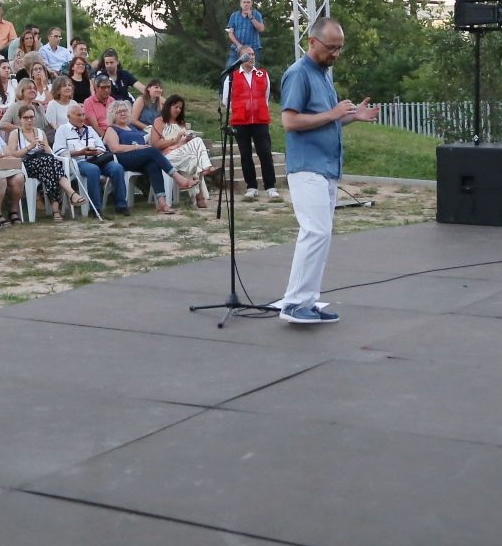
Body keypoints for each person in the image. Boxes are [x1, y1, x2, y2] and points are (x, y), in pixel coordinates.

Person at [278, 17, 378, 326]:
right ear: (312, 42)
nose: (335, 54)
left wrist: (351, 117)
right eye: (330, 47)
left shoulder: (323, 75)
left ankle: (307, 300)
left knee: (321, 234)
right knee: (315, 231)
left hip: (326, 167)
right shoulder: (298, 74)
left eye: (339, 49)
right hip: (307, 166)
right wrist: (334, 113)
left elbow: (327, 119)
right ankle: (294, 303)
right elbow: (289, 122)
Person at [104, 101, 196, 214]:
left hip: (140, 159)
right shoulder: (112, 129)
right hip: (123, 159)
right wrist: (137, 147)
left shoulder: (132, 128)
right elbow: (115, 148)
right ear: (113, 114)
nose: (123, 114)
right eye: (119, 112)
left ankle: (162, 203)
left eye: (125, 111)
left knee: (153, 164)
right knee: (152, 151)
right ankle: (178, 178)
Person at [223, 45, 278, 201]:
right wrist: (241, 110)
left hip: (260, 120)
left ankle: (270, 185)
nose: (252, 57)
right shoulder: (232, 76)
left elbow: (266, 96)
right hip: (241, 121)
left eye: (253, 54)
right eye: (248, 55)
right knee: (245, 154)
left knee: (265, 152)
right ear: (241, 58)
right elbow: (226, 100)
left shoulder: (262, 74)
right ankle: (251, 186)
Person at [53, 102, 127, 216]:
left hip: (96, 159)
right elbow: (59, 152)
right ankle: (95, 208)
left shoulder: (90, 129)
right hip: (78, 162)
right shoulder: (62, 130)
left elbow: (101, 147)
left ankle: (121, 205)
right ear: (69, 117)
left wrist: (95, 151)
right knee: (93, 170)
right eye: (78, 115)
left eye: (83, 115)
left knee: (117, 168)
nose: (82, 118)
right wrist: (80, 152)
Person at [150, 94, 213, 208]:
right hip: (167, 156)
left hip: (183, 154)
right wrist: (176, 139)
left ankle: (199, 197)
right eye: (176, 107)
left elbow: (183, 142)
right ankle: (205, 171)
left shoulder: (180, 123)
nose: (178, 110)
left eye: (180, 108)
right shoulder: (159, 121)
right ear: (169, 106)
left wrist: (186, 139)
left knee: (193, 157)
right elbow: (155, 144)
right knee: (197, 143)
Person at [226, 0, 265, 66]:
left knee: (252, 70)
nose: (246, 4)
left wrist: (251, 17)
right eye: (244, 2)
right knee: (230, 68)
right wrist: (238, 45)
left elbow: (261, 29)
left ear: (251, 3)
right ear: (241, 3)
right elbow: (230, 33)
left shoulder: (256, 14)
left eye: (248, 2)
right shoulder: (234, 15)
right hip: (236, 48)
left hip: (253, 49)